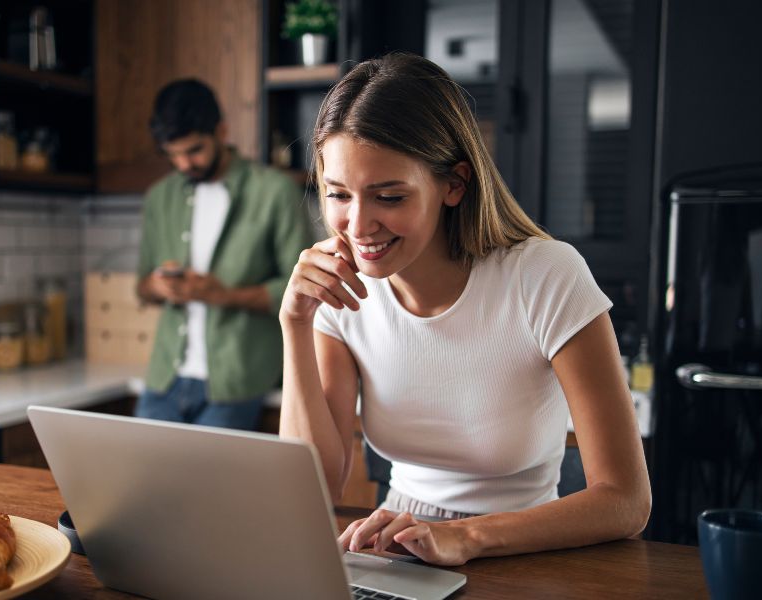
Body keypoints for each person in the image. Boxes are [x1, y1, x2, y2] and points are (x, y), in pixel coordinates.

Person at [279, 53, 651, 566]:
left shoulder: (544, 275)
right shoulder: (343, 293)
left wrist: (467, 535)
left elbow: (626, 501)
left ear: (454, 184)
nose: (357, 226)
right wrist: (295, 324)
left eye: (388, 196)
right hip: (398, 549)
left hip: (529, 552)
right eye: (338, 194)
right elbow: (313, 486)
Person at [135, 79, 314, 431]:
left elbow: (303, 290)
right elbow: (142, 286)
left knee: (207, 488)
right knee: (139, 485)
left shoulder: (274, 191)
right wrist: (159, 287)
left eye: (194, 150)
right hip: (163, 378)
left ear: (221, 131)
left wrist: (223, 296)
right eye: (173, 155)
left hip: (237, 380)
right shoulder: (159, 197)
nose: (184, 163)